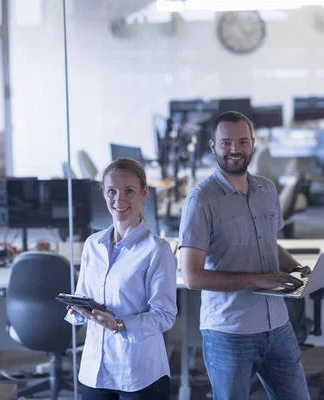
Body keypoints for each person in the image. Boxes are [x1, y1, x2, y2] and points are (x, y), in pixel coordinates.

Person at [178, 111, 311, 400]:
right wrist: (259, 280)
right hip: (230, 332)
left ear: (253, 143)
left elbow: (268, 243)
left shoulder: (267, 189)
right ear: (212, 145)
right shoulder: (201, 200)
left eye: (242, 141)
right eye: (226, 143)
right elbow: (191, 276)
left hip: (277, 324)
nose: (235, 150)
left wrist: (298, 267)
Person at [65, 157, 177, 400]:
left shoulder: (156, 250)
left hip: (138, 372)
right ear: (104, 194)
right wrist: (78, 310)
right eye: (112, 191)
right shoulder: (92, 244)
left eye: (129, 191)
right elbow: (84, 293)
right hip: (95, 369)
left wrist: (119, 325)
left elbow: (165, 315)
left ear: (143, 193)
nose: (119, 199)